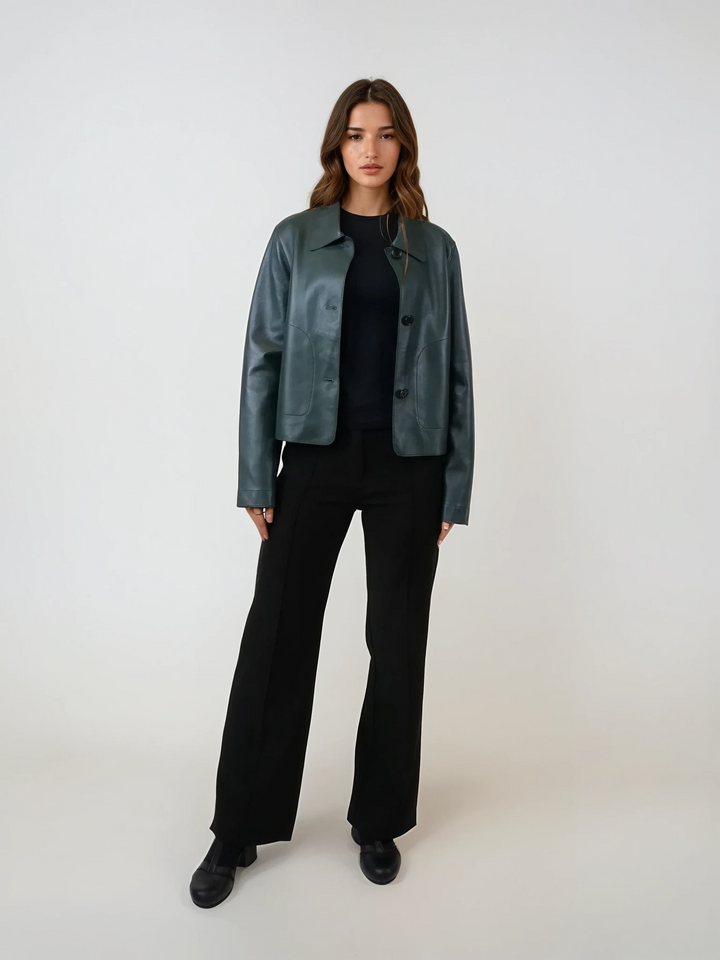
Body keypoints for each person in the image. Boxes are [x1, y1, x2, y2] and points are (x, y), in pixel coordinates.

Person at [189, 77, 475, 908]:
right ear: (336, 147)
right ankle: (236, 828)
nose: (370, 149)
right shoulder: (296, 239)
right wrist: (256, 473)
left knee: (398, 644)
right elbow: (262, 357)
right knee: (276, 638)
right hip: (313, 458)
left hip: (408, 466)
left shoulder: (435, 249)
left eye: (384, 134)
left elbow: (457, 367)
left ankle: (378, 820)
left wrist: (454, 484)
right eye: (356, 134)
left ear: (403, 145)